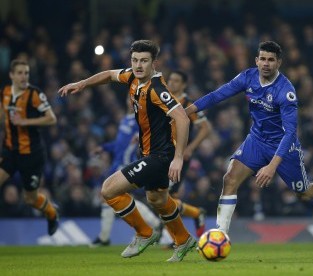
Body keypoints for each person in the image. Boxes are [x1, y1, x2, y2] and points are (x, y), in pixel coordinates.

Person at [185, 41, 313, 234]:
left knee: (305, 193)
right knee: (230, 178)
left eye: (271, 60)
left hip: (284, 148)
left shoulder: (285, 92)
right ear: (256, 60)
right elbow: (217, 95)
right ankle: (221, 235)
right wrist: (187, 111)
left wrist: (271, 166)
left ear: (279, 63)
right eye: (262, 59)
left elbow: (290, 133)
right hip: (257, 140)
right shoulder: (248, 77)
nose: (266, 63)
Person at [58, 40, 196, 262]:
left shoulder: (157, 89)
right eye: (135, 60)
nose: (138, 65)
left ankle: (144, 233)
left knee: (109, 190)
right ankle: (183, 239)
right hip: (149, 153)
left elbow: (182, 118)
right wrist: (83, 83)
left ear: (154, 63)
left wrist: (178, 158)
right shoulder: (132, 76)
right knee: (158, 199)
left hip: (160, 156)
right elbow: (110, 75)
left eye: (144, 61)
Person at [91, 96, 164, 247]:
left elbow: (149, 134)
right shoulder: (125, 119)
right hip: (117, 162)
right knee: (112, 197)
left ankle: (104, 237)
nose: (130, 102)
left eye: (134, 100)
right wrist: (103, 148)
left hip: (126, 163)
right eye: (129, 99)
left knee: (108, 196)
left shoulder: (139, 120)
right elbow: (119, 144)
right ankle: (154, 223)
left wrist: (140, 137)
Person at [0, 59, 59, 235]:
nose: (24, 76)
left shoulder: (35, 94)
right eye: (20, 73)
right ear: (11, 75)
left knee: (30, 198)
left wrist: (25, 121)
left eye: (26, 73)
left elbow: (51, 118)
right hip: (10, 151)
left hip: (32, 155)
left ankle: (51, 212)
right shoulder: (4, 92)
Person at [166, 70, 211, 238]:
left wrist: (190, 148)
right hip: (161, 154)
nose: (172, 83)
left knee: (164, 196)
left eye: (176, 80)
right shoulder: (165, 100)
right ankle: (196, 214)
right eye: (170, 79)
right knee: (166, 197)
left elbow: (206, 128)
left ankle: (177, 237)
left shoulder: (188, 104)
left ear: (184, 84)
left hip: (177, 157)